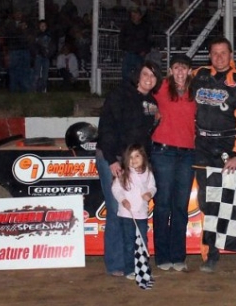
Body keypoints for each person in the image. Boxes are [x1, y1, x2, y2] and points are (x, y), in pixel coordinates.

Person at [191, 37, 236, 273]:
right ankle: (211, 253)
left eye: (223, 53)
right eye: (214, 53)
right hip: (201, 148)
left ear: (232, 55)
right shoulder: (197, 75)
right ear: (209, 55)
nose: (219, 57)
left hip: (229, 148)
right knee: (208, 203)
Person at [96, 60, 162, 277]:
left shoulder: (151, 103)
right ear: (138, 75)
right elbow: (106, 126)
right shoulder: (120, 94)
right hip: (113, 157)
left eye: (153, 76)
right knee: (118, 209)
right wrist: (112, 160)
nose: (149, 79)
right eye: (145, 74)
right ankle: (116, 264)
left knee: (131, 212)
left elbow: (145, 136)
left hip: (135, 163)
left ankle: (131, 263)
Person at [151, 54, 196, 272]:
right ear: (170, 70)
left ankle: (178, 255)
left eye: (183, 68)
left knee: (180, 206)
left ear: (189, 71)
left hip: (188, 154)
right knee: (163, 205)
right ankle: (162, 255)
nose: (179, 72)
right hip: (163, 152)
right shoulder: (161, 88)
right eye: (176, 68)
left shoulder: (195, 91)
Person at [112, 143, 156, 280]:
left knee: (142, 242)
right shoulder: (124, 174)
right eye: (130, 157)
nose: (134, 159)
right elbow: (116, 189)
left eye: (137, 156)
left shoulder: (148, 174)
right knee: (129, 243)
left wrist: (149, 194)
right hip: (126, 214)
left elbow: (153, 187)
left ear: (143, 157)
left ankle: (143, 268)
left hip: (141, 214)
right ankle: (130, 269)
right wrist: (122, 200)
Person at [119, 6, 152, 83]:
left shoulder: (145, 27)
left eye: (135, 13)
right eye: (132, 13)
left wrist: (145, 50)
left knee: (138, 73)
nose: (133, 15)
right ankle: (127, 88)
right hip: (129, 52)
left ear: (140, 15)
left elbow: (149, 40)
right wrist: (124, 48)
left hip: (140, 54)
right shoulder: (126, 26)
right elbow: (121, 38)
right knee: (126, 73)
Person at [33, 20, 55, 92]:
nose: (42, 27)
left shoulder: (49, 35)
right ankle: (35, 89)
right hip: (39, 56)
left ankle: (43, 89)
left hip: (46, 57)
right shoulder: (36, 35)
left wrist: (49, 54)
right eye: (41, 26)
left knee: (45, 75)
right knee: (37, 74)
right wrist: (36, 53)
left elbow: (52, 46)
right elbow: (33, 46)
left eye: (44, 26)